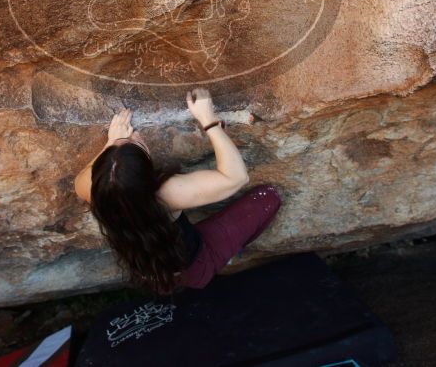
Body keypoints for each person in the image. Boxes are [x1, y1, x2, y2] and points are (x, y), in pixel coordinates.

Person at [74, 87, 282, 295]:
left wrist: (113, 143)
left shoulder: (93, 190)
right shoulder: (166, 195)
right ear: (148, 177)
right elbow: (236, 177)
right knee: (269, 196)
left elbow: (82, 179)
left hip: (151, 269)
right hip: (195, 265)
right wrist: (208, 120)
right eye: (137, 144)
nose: (135, 135)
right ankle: (226, 254)